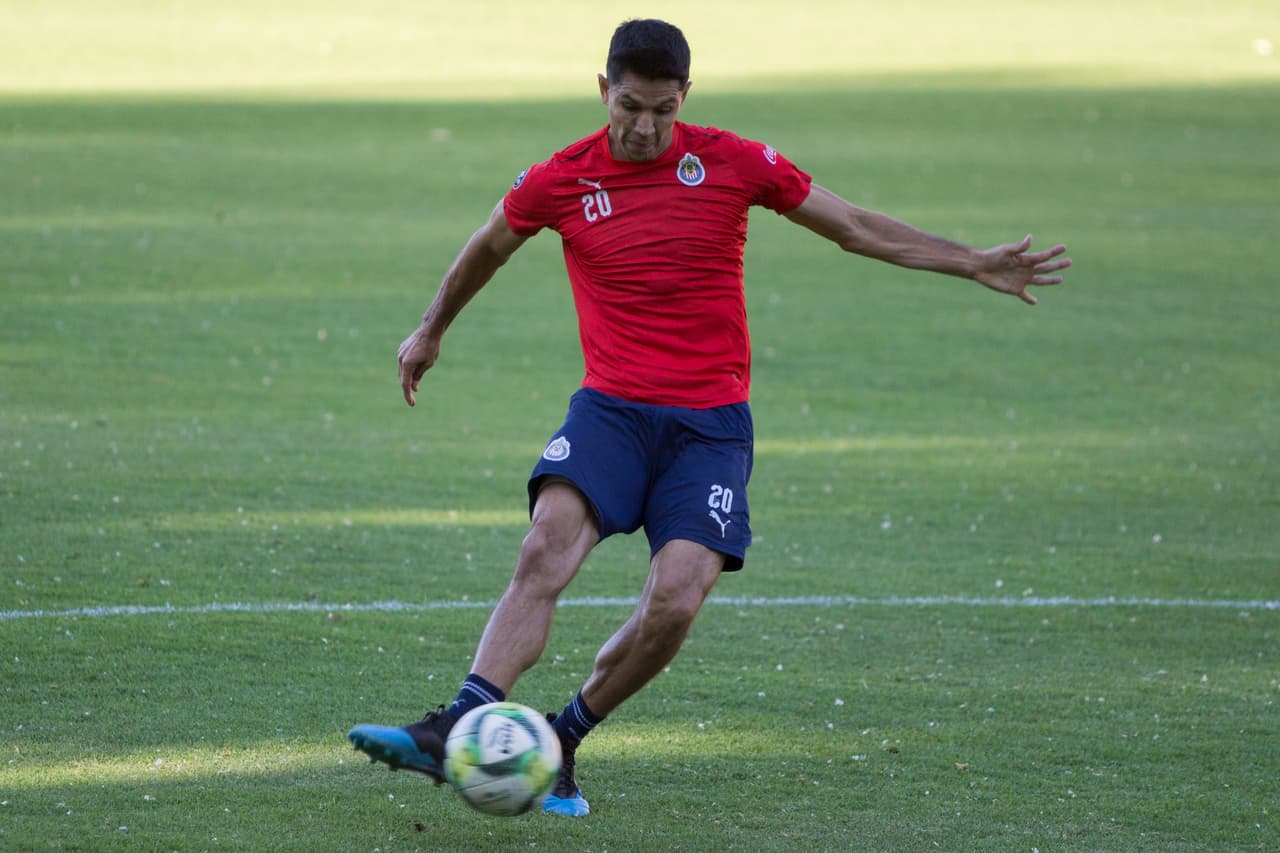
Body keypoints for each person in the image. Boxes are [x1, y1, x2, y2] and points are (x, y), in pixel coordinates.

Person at [348, 18, 1070, 817]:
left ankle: (562, 740)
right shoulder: (559, 179)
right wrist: (430, 327)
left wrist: (972, 260)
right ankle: (458, 720)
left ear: (684, 97)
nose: (645, 126)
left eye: (662, 108)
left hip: (710, 426)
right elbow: (487, 246)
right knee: (546, 541)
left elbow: (854, 226)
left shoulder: (733, 161)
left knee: (677, 600)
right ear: (602, 91)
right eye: (629, 106)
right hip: (611, 411)